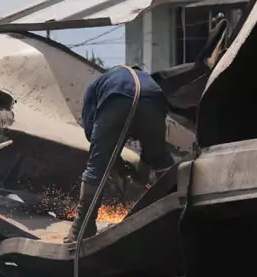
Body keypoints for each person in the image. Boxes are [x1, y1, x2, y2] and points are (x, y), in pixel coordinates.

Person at [66, 65, 176, 245]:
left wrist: (114, 163)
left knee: (97, 166)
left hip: (116, 99)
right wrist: (141, 170)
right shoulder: (149, 81)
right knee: (161, 160)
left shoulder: (96, 85)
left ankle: (81, 228)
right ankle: (172, 217)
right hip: (154, 100)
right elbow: (153, 147)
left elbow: (92, 134)